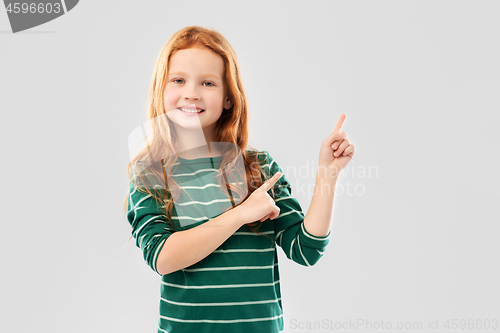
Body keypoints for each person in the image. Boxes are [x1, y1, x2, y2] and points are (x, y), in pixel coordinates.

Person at [123, 25, 355, 333]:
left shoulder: (258, 169)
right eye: (178, 80)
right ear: (161, 90)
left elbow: (306, 249)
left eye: (207, 83)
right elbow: (163, 257)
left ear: (228, 98)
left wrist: (328, 175)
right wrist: (241, 214)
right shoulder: (150, 173)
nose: (191, 92)